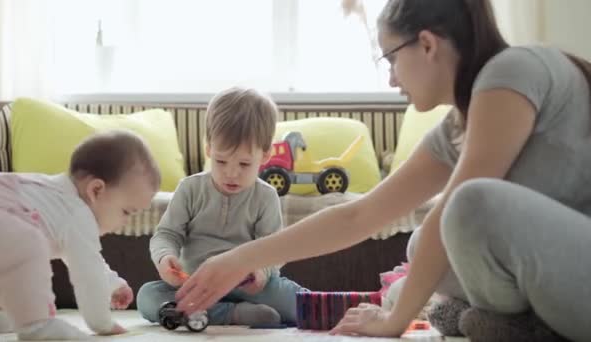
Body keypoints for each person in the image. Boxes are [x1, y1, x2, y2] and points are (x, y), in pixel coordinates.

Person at [173, 1, 591, 341]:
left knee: (464, 207)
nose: (391, 79)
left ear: (426, 44)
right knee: (419, 251)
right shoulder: (458, 126)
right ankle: (510, 321)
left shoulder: (512, 70)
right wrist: (238, 257)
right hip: (557, 278)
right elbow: (361, 215)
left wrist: (394, 322)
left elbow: (456, 210)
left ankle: (516, 325)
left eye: (390, 58)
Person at [136, 87, 306, 327]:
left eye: (245, 164)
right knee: (148, 298)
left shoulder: (266, 196)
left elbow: (274, 248)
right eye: (221, 161)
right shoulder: (190, 189)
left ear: (266, 155)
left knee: (298, 301)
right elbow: (166, 234)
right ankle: (233, 315)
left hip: (249, 287)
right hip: (195, 285)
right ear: (209, 148)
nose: (231, 173)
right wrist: (166, 258)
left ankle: (215, 313)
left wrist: (261, 272)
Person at [0, 130, 160, 340]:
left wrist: (112, 283)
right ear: (96, 190)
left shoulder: (57, 199)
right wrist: (101, 322)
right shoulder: (77, 211)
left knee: (4, 264)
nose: (125, 222)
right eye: (126, 212)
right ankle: (37, 325)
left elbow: (86, 259)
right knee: (27, 243)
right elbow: (87, 271)